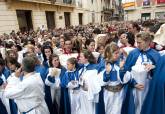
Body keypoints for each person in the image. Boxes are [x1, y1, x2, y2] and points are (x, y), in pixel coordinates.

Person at [120, 32, 160, 114]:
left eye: (139, 42)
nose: (137, 44)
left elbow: (160, 74)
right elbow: (126, 71)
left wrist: (154, 67)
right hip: (134, 87)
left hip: (149, 87)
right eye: (136, 42)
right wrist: (133, 83)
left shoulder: (156, 54)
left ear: (148, 42)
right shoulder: (133, 53)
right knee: (135, 107)